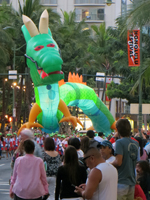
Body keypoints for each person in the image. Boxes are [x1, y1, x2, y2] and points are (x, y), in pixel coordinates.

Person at [111, 118, 139, 200]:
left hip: (121, 180)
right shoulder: (136, 143)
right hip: (132, 181)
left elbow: (118, 162)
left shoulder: (119, 142)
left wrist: (108, 164)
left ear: (118, 129)